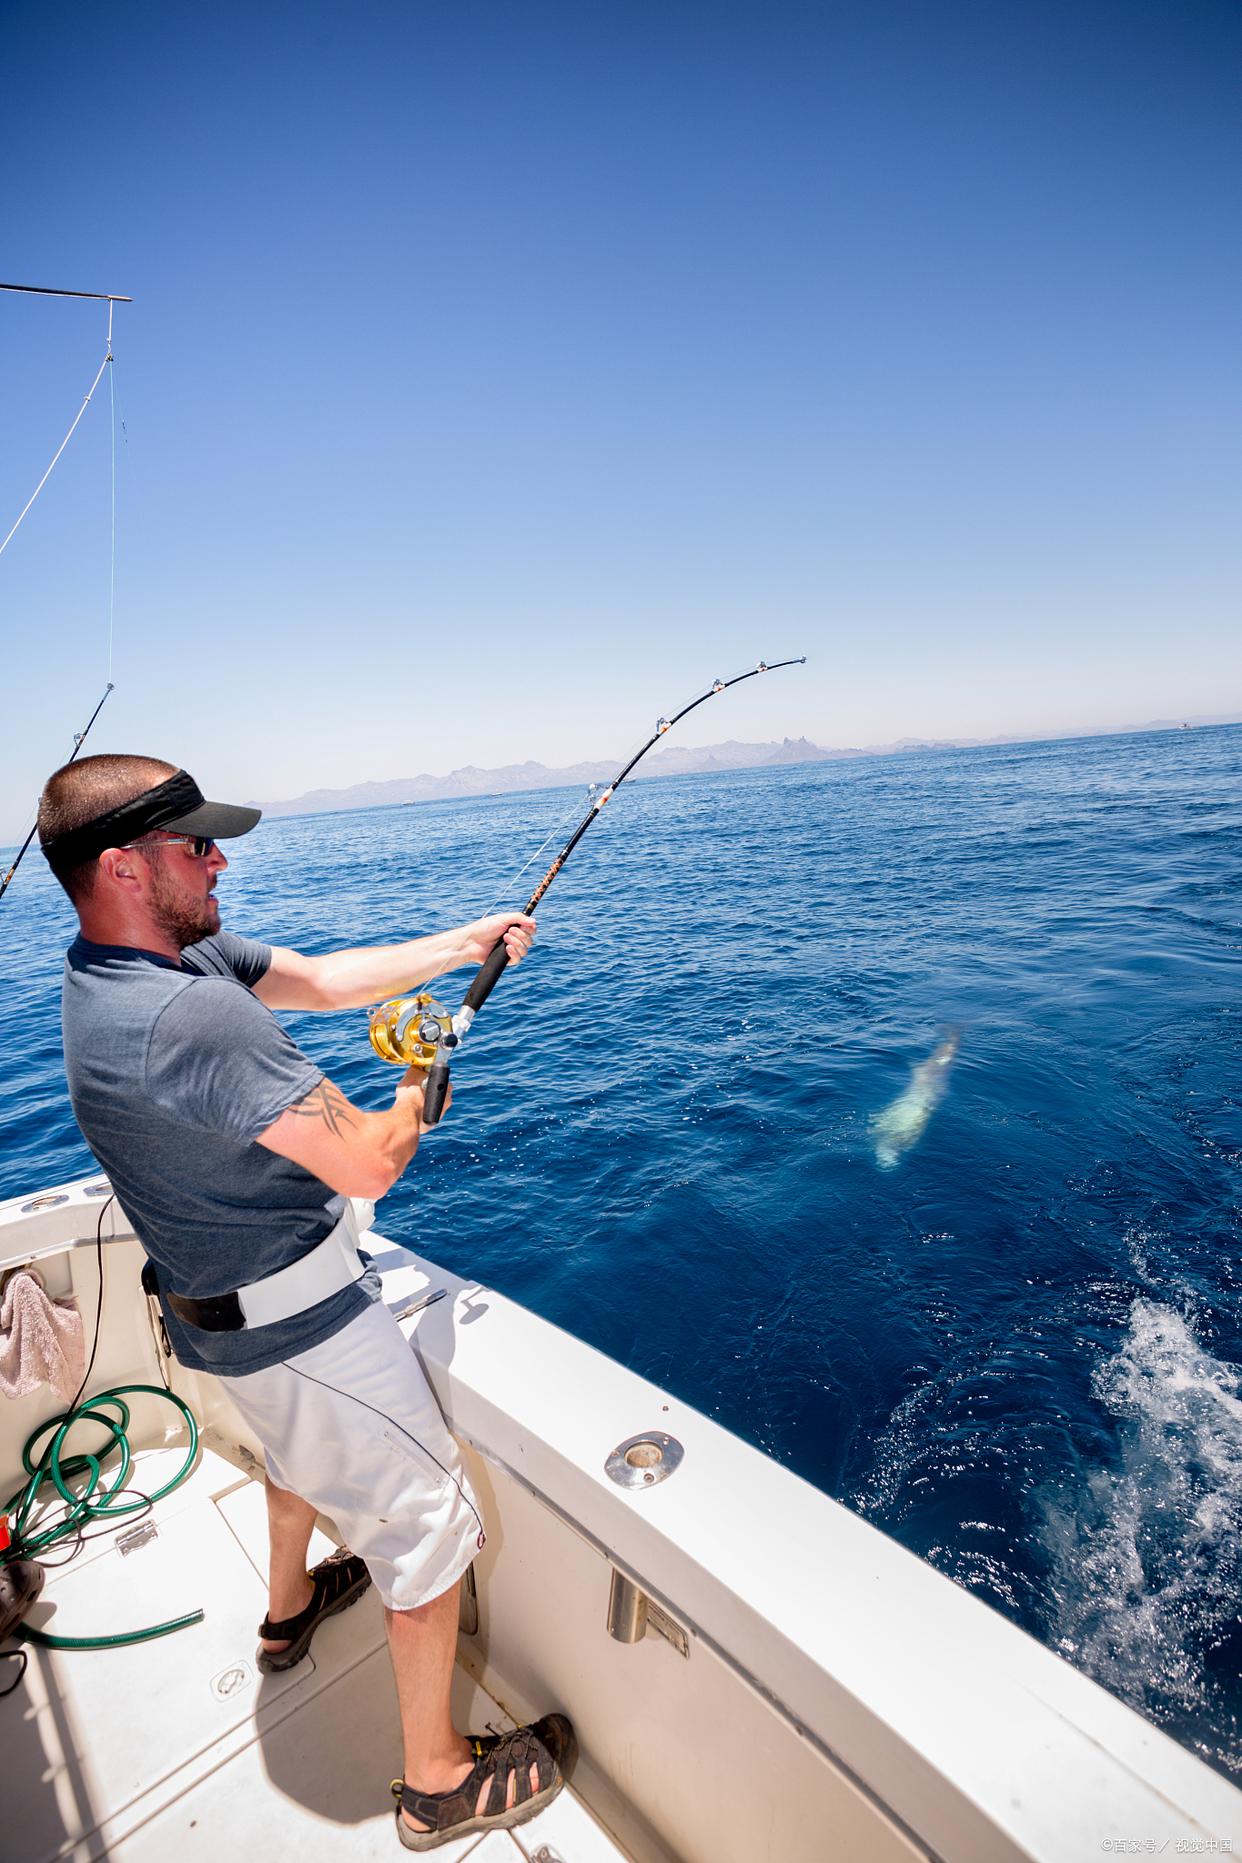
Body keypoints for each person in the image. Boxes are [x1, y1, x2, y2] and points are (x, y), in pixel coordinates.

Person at [37, 752, 574, 1852]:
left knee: (291, 1456)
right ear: (123, 867)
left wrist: (468, 943)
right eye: (195, 845)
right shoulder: (188, 1018)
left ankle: (286, 1617)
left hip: (213, 1318)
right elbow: (372, 1164)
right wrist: (422, 1074)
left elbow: (325, 980)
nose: (219, 857)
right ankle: (434, 1782)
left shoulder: (111, 970)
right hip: (301, 1329)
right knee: (427, 1526)